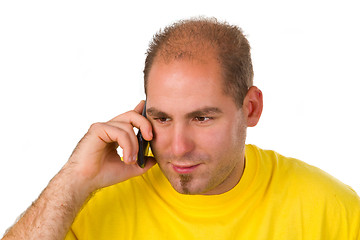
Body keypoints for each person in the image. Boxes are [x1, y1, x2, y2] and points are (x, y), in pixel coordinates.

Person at [3, 17, 360, 240]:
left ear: (250, 108)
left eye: (201, 118)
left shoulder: (332, 211)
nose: (177, 147)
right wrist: (74, 178)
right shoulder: (89, 205)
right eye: (162, 118)